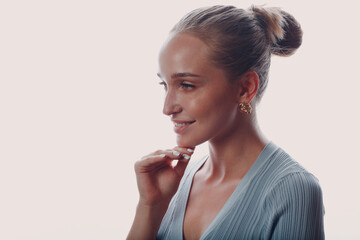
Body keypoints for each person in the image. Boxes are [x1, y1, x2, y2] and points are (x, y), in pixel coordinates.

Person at [127, 4, 324, 240]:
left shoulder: (293, 191)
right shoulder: (175, 183)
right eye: (165, 85)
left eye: (187, 85)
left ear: (245, 88)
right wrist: (150, 206)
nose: (167, 108)